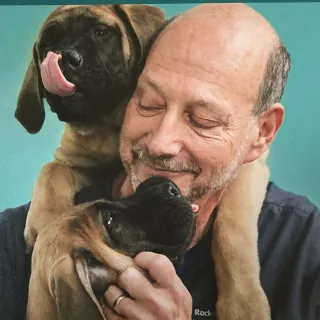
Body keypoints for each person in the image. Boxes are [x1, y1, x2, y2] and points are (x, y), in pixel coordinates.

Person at [1, 3, 319, 320]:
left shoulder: (305, 248)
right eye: (149, 103)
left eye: (203, 120)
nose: (160, 142)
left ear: (261, 134)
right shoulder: (13, 244)